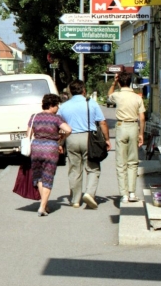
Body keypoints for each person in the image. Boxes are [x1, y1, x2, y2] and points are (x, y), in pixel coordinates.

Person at [58, 79, 109, 208]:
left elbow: (58, 125)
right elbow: (102, 122)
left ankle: (75, 200)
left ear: (70, 91)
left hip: (71, 138)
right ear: (84, 90)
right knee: (93, 168)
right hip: (89, 138)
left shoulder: (64, 106)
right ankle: (89, 194)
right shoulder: (91, 103)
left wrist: (60, 142)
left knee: (74, 169)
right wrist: (107, 139)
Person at [28, 94, 72, 216]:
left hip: (36, 148)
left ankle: (44, 204)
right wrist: (61, 139)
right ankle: (42, 207)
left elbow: (28, 134)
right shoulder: (56, 118)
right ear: (52, 105)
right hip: (51, 149)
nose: (58, 108)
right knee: (48, 177)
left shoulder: (34, 117)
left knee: (39, 177)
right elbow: (68, 130)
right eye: (57, 105)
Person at [108, 72, 146, 205]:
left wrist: (113, 83)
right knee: (133, 161)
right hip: (133, 127)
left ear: (119, 83)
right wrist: (141, 134)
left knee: (121, 162)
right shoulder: (137, 97)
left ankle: (124, 194)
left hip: (121, 126)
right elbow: (142, 117)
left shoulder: (117, 95)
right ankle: (132, 192)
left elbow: (109, 95)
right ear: (130, 83)